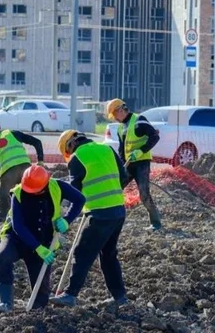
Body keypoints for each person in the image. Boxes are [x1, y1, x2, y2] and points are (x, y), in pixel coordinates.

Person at [0, 164, 86, 315]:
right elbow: (18, 226)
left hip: (44, 240)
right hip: (17, 238)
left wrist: (67, 219)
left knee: (41, 295)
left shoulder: (57, 186)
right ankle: (5, 303)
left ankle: (36, 311)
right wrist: (37, 248)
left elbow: (80, 200)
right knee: (3, 257)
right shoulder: (19, 193)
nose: (33, 194)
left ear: (46, 183)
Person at [50, 130, 130, 308]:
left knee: (82, 253)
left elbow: (75, 194)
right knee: (108, 255)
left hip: (99, 214)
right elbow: (124, 177)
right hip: (118, 210)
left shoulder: (77, 159)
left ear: (70, 145)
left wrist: (66, 218)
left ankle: (70, 295)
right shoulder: (107, 149)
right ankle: (120, 297)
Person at [107, 98, 162, 231]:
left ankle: (155, 222)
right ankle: (112, 218)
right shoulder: (121, 127)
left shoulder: (139, 120)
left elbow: (155, 137)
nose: (114, 118)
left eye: (114, 114)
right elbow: (122, 149)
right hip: (128, 163)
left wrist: (140, 151)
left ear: (121, 110)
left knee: (143, 193)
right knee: (116, 188)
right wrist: (120, 166)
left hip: (141, 163)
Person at [0, 123, 45, 222]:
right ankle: (39, 213)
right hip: (26, 169)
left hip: (8, 173)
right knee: (31, 192)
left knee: (3, 197)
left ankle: (3, 219)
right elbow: (37, 142)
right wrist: (40, 161)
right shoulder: (12, 133)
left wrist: (2, 187)